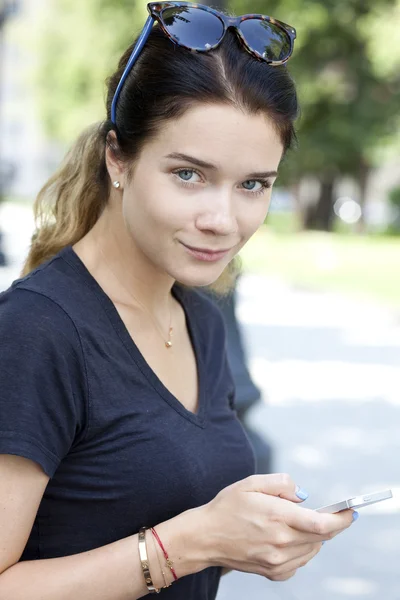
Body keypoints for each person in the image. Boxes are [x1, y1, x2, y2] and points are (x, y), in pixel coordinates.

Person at [0, 3, 357, 599]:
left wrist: (251, 537)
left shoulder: (201, 319)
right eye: (189, 174)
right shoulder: (35, 332)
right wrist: (194, 543)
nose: (223, 220)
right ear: (119, 157)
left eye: (253, 185)